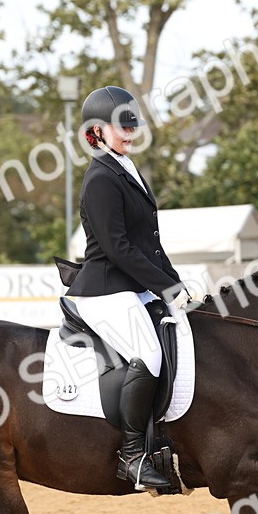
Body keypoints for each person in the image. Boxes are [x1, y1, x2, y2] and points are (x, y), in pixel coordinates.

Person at [67, 85, 192, 489]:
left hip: (133, 288)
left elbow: (150, 243)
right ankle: (133, 456)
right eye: (121, 125)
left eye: (132, 122)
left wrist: (176, 284)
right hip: (105, 290)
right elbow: (118, 249)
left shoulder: (126, 167)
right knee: (150, 355)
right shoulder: (101, 178)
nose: (129, 131)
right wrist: (165, 287)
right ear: (96, 131)